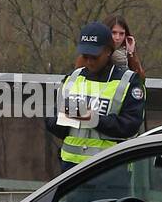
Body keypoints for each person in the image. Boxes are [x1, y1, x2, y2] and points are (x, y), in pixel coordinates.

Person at [45, 21, 147, 171]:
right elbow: (51, 120)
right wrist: (65, 117)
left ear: (108, 51)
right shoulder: (73, 78)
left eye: (94, 56)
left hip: (111, 169)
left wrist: (93, 118)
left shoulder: (128, 81)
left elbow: (130, 126)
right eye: (85, 56)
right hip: (71, 170)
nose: (89, 61)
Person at [105, 14, 146, 80]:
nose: (117, 38)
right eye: (113, 33)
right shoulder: (97, 50)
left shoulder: (127, 51)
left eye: (121, 34)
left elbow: (140, 79)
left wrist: (131, 54)